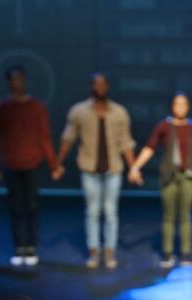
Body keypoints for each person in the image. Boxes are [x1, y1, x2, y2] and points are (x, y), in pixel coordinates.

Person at [128, 92, 192, 269]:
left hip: (188, 176)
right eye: (177, 104)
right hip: (169, 175)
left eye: (184, 104)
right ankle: (167, 254)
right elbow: (150, 148)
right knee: (168, 216)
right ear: (172, 106)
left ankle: (186, 254)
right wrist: (135, 167)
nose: (180, 107)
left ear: (188, 106)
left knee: (185, 216)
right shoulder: (163, 126)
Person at [56, 74, 136, 270]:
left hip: (113, 168)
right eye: (96, 84)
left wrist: (133, 167)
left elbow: (126, 143)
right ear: (91, 86)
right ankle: (94, 251)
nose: (99, 87)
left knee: (110, 211)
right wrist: (57, 163)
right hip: (90, 168)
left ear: (108, 86)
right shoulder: (79, 111)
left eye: (103, 83)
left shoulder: (119, 112)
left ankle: (109, 252)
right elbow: (68, 139)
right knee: (92, 211)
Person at [0, 66, 60, 268]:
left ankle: (31, 247)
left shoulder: (37, 107)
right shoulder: (2, 108)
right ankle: (19, 247)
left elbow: (44, 137)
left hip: (31, 164)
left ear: (24, 80)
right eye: (12, 79)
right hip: (11, 163)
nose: (16, 83)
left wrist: (53, 164)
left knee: (32, 207)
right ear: (8, 82)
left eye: (19, 79)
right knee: (15, 207)